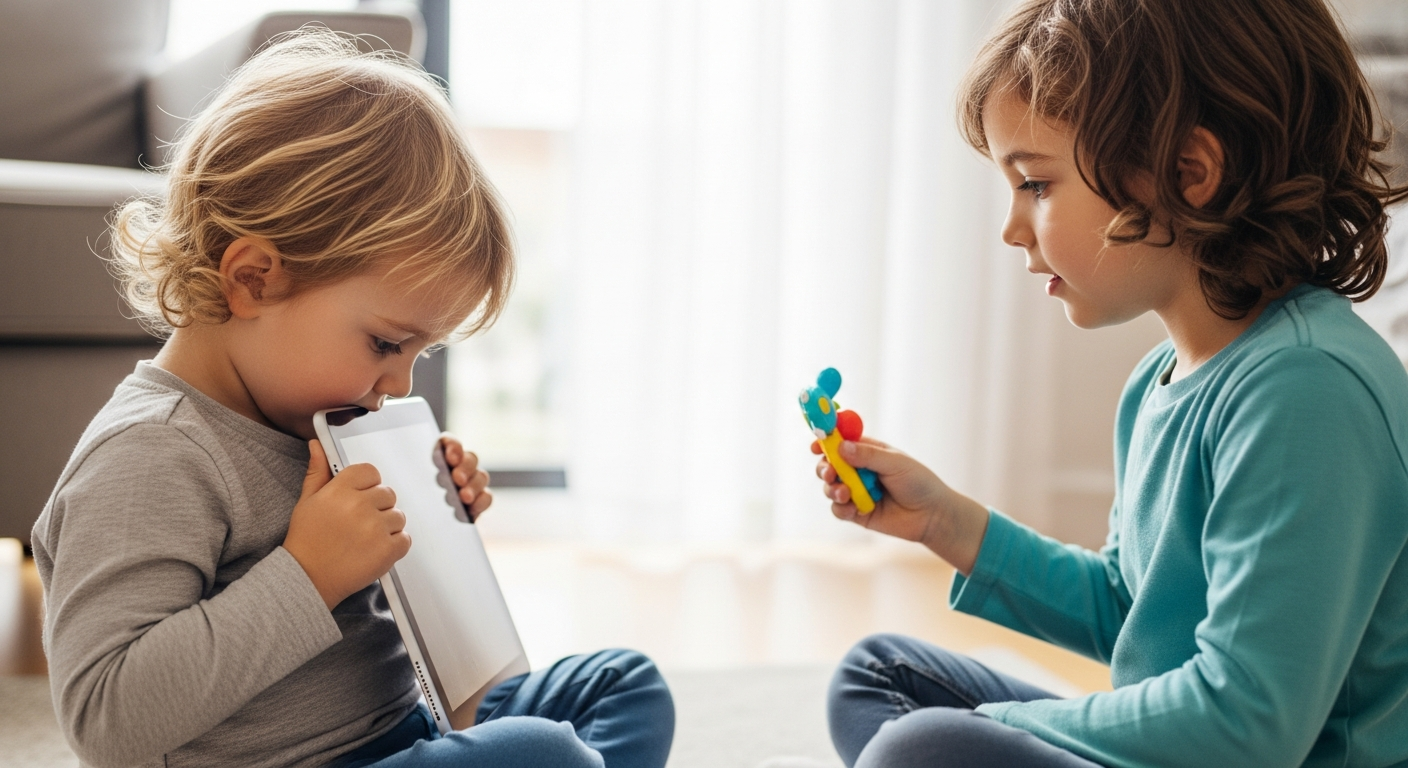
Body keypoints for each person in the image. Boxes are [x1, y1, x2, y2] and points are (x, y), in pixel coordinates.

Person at [30, 31, 673, 768]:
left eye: (419, 353)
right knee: (544, 754)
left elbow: (395, 633)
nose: (399, 383)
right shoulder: (150, 457)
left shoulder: (316, 416)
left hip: (409, 731)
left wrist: (432, 526)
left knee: (623, 686)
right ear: (254, 280)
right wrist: (309, 573)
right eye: (384, 344)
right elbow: (105, 720)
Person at [817, 1, 1408, 766]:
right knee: (880, 679)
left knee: (920, 746)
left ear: (1189, 174)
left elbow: (1249, 725)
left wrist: (1002, 733)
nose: (1012, 227)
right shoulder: (1162, 380)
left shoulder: (1307, 391)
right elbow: (1133, 613)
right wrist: (946, 524)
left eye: (1035, 184)